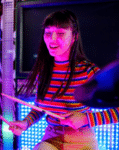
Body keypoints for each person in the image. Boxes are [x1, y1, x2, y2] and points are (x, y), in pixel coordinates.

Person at [9, 10, 119, 150]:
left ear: (74, 37)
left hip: (82, 141)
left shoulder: (88, 71)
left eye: (60, 33)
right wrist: (25, 123)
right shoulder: (43, 71)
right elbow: (40, 108)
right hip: (51, 138)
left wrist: (86, 119)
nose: (52, 39)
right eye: (48, 33)